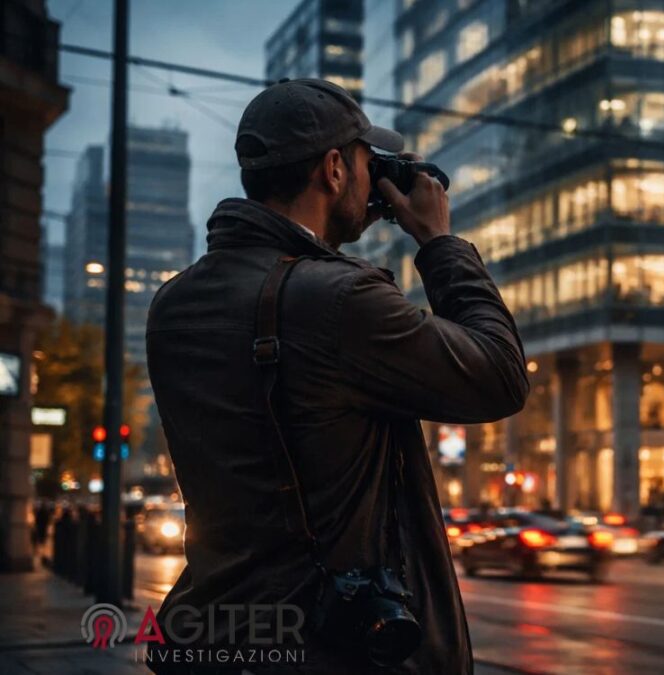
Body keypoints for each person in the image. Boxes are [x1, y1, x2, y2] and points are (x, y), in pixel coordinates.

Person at [145, 79, 528, 674]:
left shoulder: (175, 304)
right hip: (336, 644)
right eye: (365, 162)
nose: (373, 177)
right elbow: (501, 374)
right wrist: (439, 242)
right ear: (332, 169)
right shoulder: (340, 301)